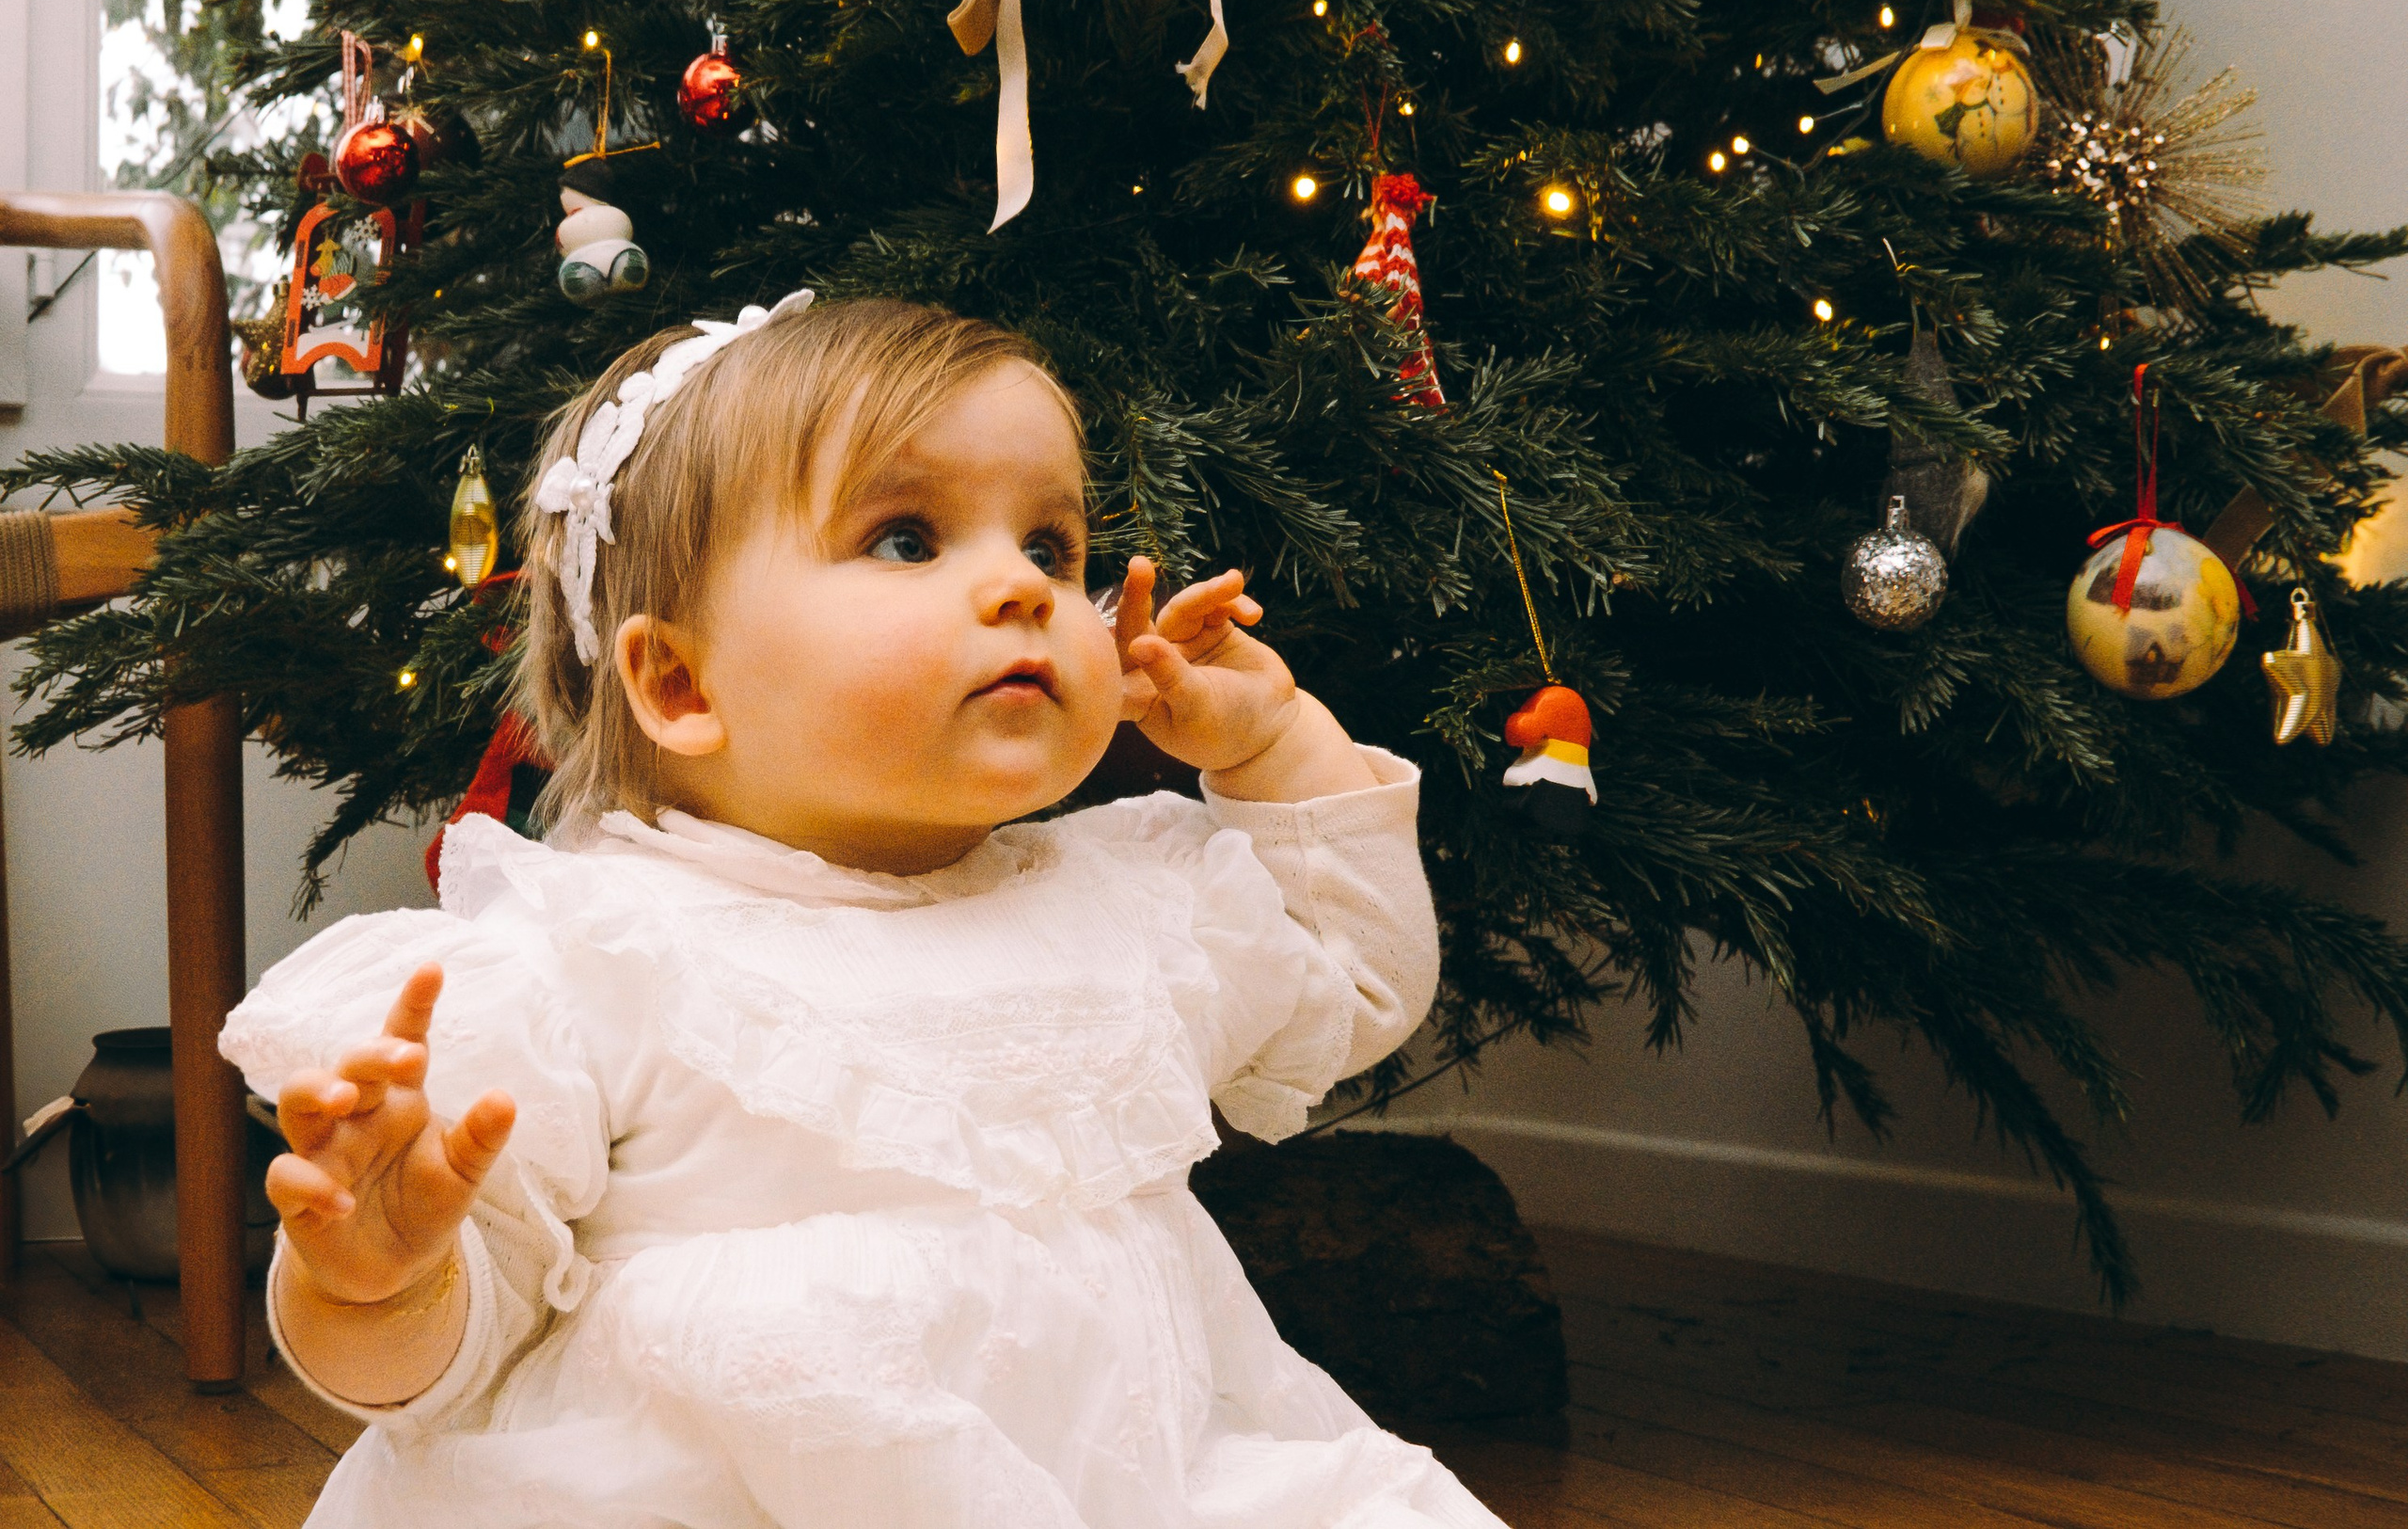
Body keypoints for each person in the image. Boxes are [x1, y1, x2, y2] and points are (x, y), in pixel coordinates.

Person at [221, 291, 1504, 1528]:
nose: (1023, 588)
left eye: (1051, 546)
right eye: (909, 537)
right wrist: (383, 1280)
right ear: (677, 681)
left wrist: (1273, 740)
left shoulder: (1125, 900)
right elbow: (443, 1365)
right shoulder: (594, 953)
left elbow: (1361, 983)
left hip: (1142, 1481)